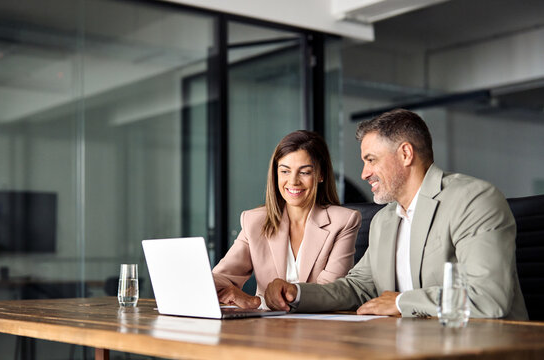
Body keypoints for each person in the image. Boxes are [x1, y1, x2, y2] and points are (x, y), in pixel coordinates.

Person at [265, 109, 528, 320]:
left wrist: (402, 302)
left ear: (405, 153)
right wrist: (296, 293)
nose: (364, 173)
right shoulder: (385, 220)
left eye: (371, 159)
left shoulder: (473, 200)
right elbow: (357, 287)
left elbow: (487, 298)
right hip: (409, 344)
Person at [212, 130, 361, 309]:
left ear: (321, 175)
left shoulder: (344, 221)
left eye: (304, 172)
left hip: (318, 326)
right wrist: (196, 279)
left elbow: (329, 293)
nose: (293, 181)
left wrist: (256, 302)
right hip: (268, 328)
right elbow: (224, 276)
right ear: (276, 174)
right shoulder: (254, 221)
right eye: (285, 171)